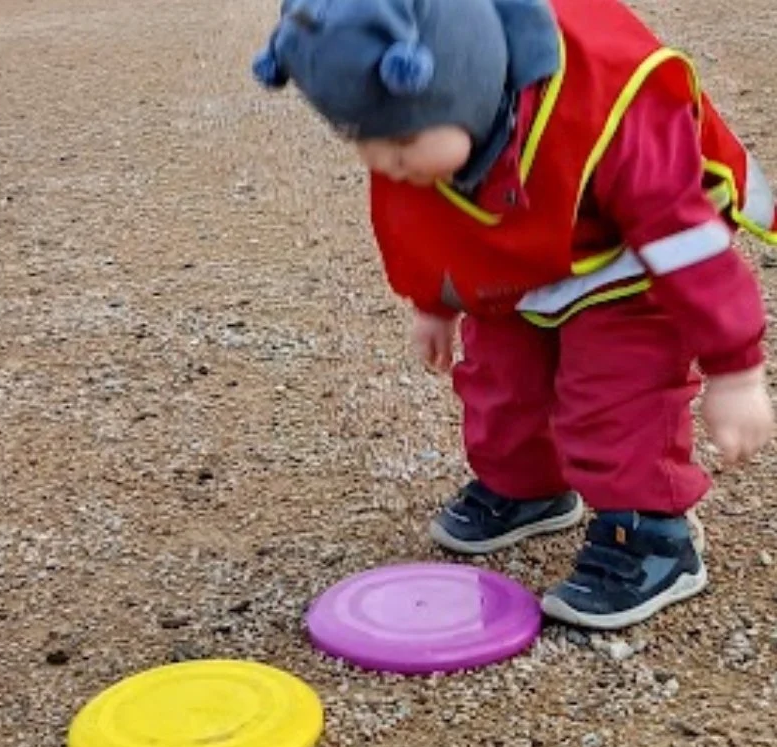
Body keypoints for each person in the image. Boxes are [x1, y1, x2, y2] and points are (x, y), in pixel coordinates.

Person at [251, 0, 776, 629]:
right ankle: (527, 488)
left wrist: (736, 369)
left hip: (630, 258)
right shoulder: (422, 130)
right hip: (523, 250)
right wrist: (435, 301)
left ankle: (653, 535)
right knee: (501, 382)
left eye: (398, 140)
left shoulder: (615, 108)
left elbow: (686, 243)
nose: (381, 162)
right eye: (359, 139)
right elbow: (417, 221)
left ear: (464, 87)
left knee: (613, 398)